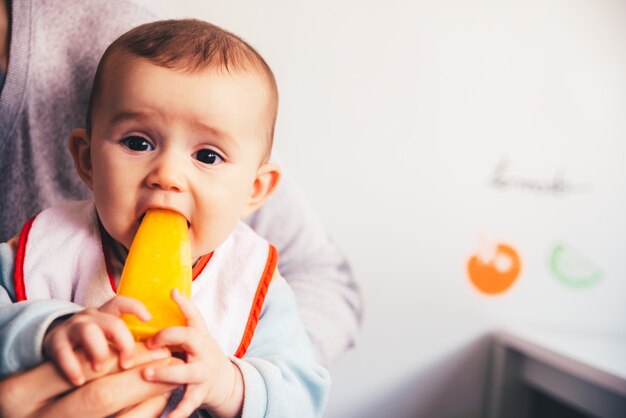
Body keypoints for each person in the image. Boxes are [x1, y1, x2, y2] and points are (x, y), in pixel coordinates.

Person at [1, 0, 361, 373]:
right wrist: (44, 330)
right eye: (138, 143)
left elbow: (300, 388)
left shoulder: (253, 283)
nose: (167, 175)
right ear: (88, 160)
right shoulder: (45, 248)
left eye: (207, 156)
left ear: (254, 190)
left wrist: (228, 384)